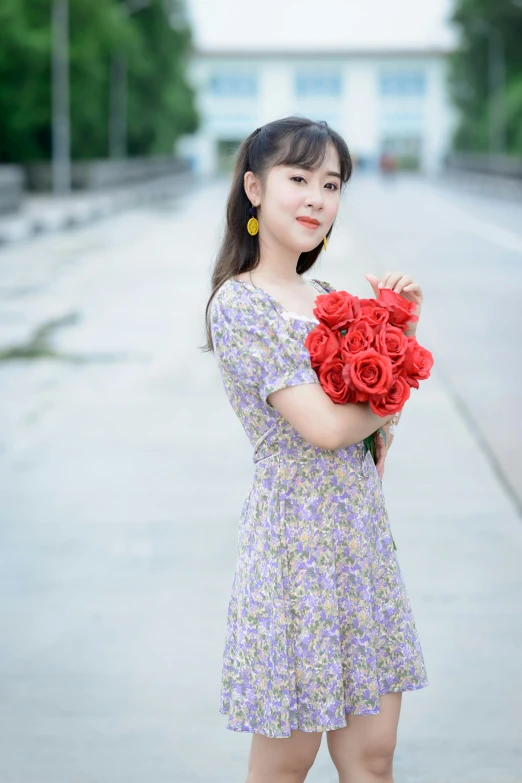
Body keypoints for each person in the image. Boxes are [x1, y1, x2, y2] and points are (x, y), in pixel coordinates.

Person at [201, 116, 428, 783]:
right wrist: (401, 371)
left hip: (360, 547)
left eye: (330, 184)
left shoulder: (331, 299)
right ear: (254, 188)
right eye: (298, 178)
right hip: (292, 553)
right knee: (286, 765)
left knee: (372, 757)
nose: (316, 198)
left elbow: (372, 444)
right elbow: (326, 428)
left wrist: (398, 333)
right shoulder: (239, 305)